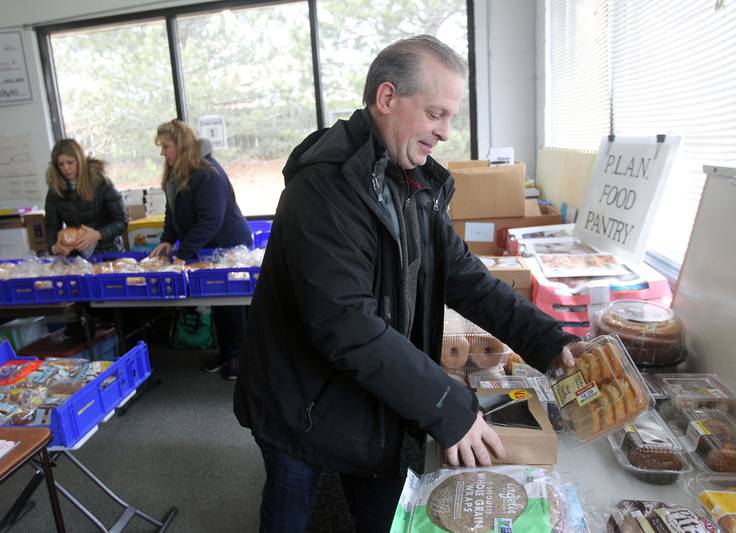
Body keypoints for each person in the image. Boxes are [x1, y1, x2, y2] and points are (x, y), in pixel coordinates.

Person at [233, 35, 579, 532]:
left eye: (451, 118)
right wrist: (446, 406)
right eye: (436, 114)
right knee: (291, 511)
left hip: (370, 393)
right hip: (300, 402)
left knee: (389, 512)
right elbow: (347, 325)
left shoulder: (410, 179)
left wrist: (549, 341)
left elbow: (466, 278)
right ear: (388, 98)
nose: (445, 133)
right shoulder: (326, 188)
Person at [150, 119, 252, 380]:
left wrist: (183, 254)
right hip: (207, 247)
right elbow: (172, 212)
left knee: (231, 303)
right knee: (218, 303)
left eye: (166, 146)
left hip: (229, 244)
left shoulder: (207, 173)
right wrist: (168, 240)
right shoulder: (177, 173)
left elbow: (210, 220)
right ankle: (227, 352)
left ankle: (239, 357)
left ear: (181, 146)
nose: (163, 152)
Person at [45, 138, 128, 257]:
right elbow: (51, 226)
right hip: (75, 256)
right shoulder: (55, 190)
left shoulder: (101, 183)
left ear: (80, 161)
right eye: (61, 164)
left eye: (70, 162)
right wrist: (55, 247)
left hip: (108, 252)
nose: (66, 168)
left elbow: (121, 221)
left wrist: (98, 235)